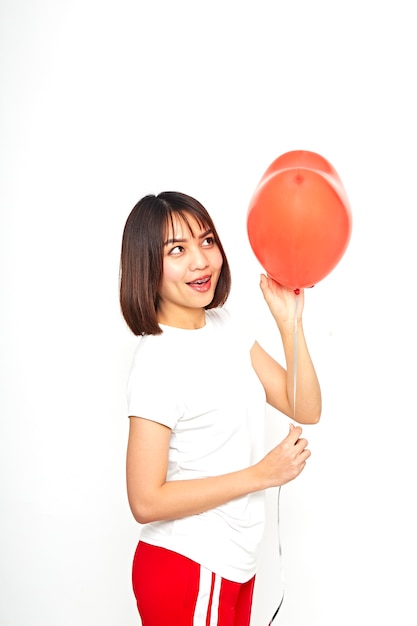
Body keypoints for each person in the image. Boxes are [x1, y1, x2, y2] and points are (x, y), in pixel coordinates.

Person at [119, 191, 321, 626]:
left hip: (234, 563)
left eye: (207, 241)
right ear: (146, 266)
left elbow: (304, 406)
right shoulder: (157, 362)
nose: (201, 261)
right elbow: (145, 500)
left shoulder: (224, 326)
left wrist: (290, 323)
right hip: (189, 563)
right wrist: (262, 475)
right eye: (178, 249)